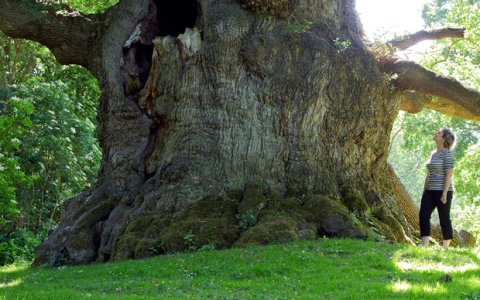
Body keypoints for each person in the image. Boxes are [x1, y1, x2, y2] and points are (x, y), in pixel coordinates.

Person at [419, 127, 456, 249]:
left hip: (443, 191)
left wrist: (444, 193)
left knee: (444, 218)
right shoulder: (432, 154)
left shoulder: (448, 155)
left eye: (439, 133)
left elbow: (449, 175)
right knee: (423, 214)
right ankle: (424, 245)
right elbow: (429, 174)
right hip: (430, 190)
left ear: (443, 138)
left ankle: (445, 248)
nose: (435, 133)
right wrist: (424, 191)